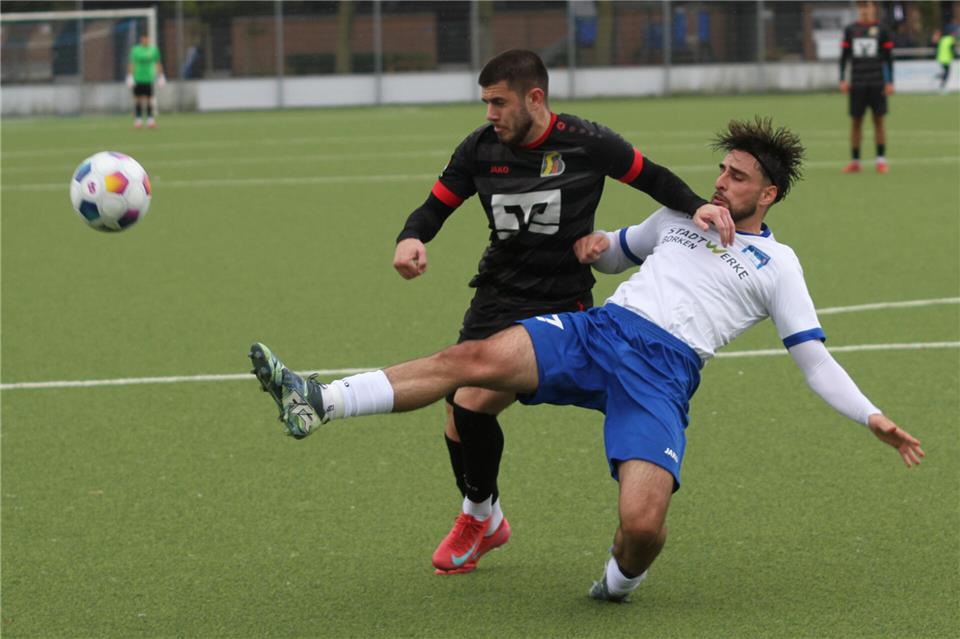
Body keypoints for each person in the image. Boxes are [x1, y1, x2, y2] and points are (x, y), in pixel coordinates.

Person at [248, 117, 923, 602]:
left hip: (663, 376)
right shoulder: (678, 217)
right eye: (720, 169)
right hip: (598, 331)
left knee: (642, 526)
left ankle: (619, 581)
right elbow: (618, 248)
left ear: (767, 194)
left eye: (737, 176)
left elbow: (814, 361)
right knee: (469, 361)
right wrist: (594, 245)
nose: (719, 183)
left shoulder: (779, 264)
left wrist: (872, 416)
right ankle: (320, 398)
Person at [390, 49, 732, 575]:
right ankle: (484, 517)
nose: (489, 115)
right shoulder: (480, 149)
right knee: (459, 418)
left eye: (498, 102)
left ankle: (478, 517)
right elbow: (436, 205)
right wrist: (412, 237)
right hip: (497, 292)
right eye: (485, 103)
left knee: (473, 399)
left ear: (535, 98)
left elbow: (652, 178)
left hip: (559, 301)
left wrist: (697, 205)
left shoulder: (589, 142)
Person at [839, 1, 894, 174]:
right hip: (857, 83)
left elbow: (888, 58)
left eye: (868, 6)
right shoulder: (850, 30)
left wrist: (890, 81)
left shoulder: (882, 30)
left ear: (873, 9)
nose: (864, 10)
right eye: (861, 7)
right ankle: (855, 161)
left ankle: (881, 160)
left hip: (877, 82)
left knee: (879, 121)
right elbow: (844, 57)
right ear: (858, 9)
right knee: (856, 122)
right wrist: (843, 79)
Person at [126, 33, 165, 129]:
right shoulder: (136, 50)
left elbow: (158, 63)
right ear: (141, 40)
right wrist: (130, 76)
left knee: (149, 100)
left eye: (146, 39)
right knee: (138, 100)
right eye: (143, 39)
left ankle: (150, 121)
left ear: (149, 39)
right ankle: (138, 121)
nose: (144, 41)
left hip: (149, 78)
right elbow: (132, 63)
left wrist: (161, 76)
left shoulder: (153, 50)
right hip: (138, 78)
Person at [933, 27, 957, 93]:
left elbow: (937, 47)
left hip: (940, 58)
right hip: (946, 59)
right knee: (947, 73)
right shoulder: (951, 39)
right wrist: (956, 56)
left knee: (946, 72)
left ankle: (940, 81)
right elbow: (952, 49)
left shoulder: (943, 39)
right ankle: (942, 87)